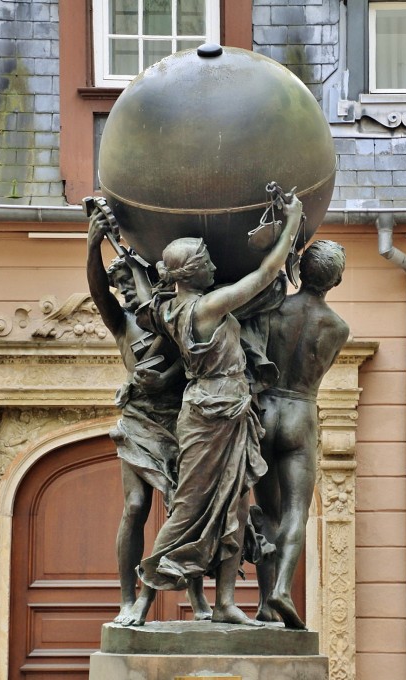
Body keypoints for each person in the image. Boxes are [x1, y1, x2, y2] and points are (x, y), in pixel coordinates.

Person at [137, 193, 302, 625]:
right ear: (192, 273)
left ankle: (227, 603)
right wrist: (294, 220)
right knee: (190, 506)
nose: (215, 266)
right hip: (213, 412)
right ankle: (144, 596)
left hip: (223, 408)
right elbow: (266, 274)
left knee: (236, 505)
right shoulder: (206, 306)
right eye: (208, 261)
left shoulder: (169, 307)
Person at [85, 214, 210, 625]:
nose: (123, 290)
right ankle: (127, 597)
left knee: (184, 509)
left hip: (180, 421)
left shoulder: (173, 317)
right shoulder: (123, 326)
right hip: (138, 422)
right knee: (136, 505)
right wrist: (93, 245)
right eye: (119, 286)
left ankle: (196, 595)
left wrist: (167, 377)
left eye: (129, 282)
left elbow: (192, 362)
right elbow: (97, 290)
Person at [251, 240, 350, 629]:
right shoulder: (338, 328)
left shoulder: (272, 312)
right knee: (296, 510)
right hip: (301, 411)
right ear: (336, 280)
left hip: (264, 411)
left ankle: (263, 603)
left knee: (267, 512)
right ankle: (281, 591)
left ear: (301, 270)